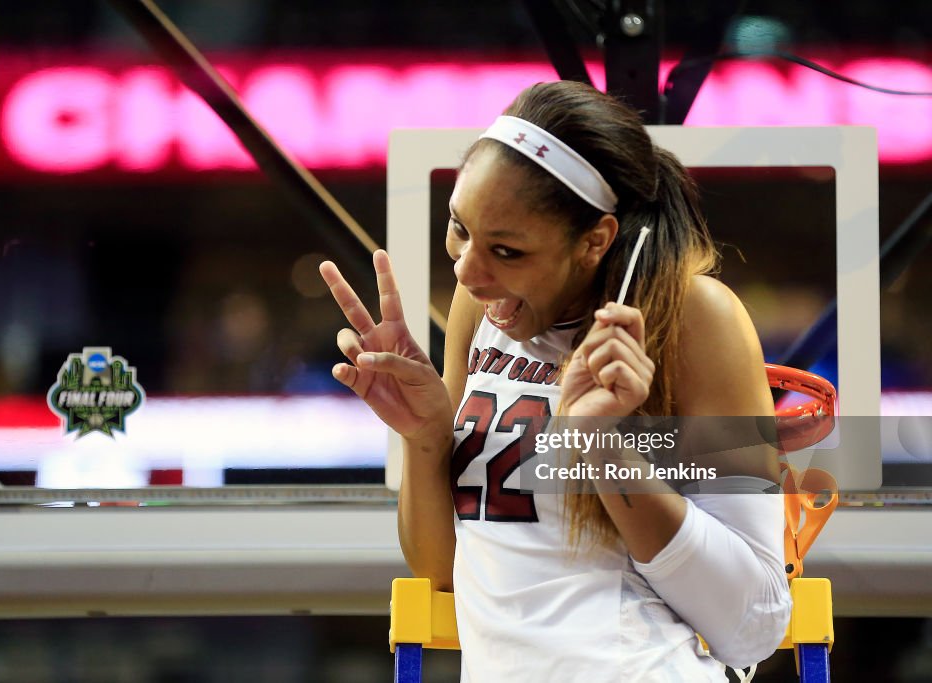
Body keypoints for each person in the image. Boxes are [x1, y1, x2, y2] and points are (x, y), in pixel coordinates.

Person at [320, 81, 790, 682]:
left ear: (595, 240)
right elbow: (443, 572)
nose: (467, 270)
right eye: (459, 227)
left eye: (507, 251)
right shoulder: (484, 305)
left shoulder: (695, 315)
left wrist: (602, 447)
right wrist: (427, 438)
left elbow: (756, 624)